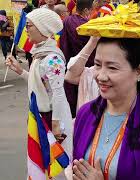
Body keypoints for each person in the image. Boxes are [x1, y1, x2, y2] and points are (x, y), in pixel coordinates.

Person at [71, 15, 140, 179]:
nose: (101, 76)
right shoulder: (86, 114)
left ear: (139, 71)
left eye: (112, 68)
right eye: (97, 65)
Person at [5, 8, 73, 179]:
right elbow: (40, 86)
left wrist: (56, 125)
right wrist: (19, 70)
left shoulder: (52, 58)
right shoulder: (39, 54)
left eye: (29, 26)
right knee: (41, 164)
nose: (25, 29)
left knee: (53, 163)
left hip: (49, 118)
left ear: (42, 28)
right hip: (39, 115)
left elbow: (58, 94)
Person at [60, 0, 94, 118]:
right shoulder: (86, 27)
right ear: (85, 10)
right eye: (90, 11)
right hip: (82, 69)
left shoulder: (67, 20)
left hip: (69, 66)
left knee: (71, 104)